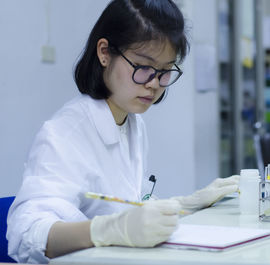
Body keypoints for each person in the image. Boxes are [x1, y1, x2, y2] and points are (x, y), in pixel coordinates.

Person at [6, 0, 239, 263]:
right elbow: (26, 234)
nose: (153, 84)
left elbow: (127, 207)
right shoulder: (64, 134)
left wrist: (185, 205)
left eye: (164, 72)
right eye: (143, 68)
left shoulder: (130, 122)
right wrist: (106, 230)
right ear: (105, 52)